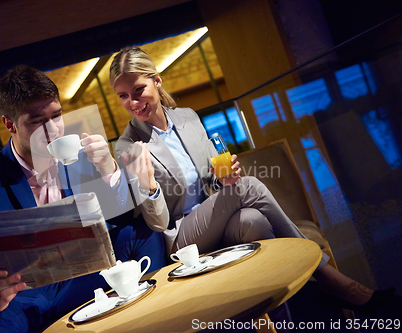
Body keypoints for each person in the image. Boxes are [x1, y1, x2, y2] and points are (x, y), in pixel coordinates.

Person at [111, 46, 396, 317]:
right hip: (181, 236)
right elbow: (159, 223)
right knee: (248, 187)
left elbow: (215, 176)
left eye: (139, 90)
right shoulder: (128, 147)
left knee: (254, 221)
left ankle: (288, 316)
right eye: (124, 96)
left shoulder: (187, 118)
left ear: (157, 82)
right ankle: (330, 278)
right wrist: (148, 185)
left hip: (216, 216)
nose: (133, 103)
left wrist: (227, 177)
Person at [0, 65, 165, 332]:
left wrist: (109, 170)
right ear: (10, 124)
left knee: (143, 232)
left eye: (57, 116)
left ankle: (156, 315)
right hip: (21, 295)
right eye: (38, 121)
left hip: (78, 277)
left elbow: (121, 221)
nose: (53, 130)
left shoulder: (80, 155)